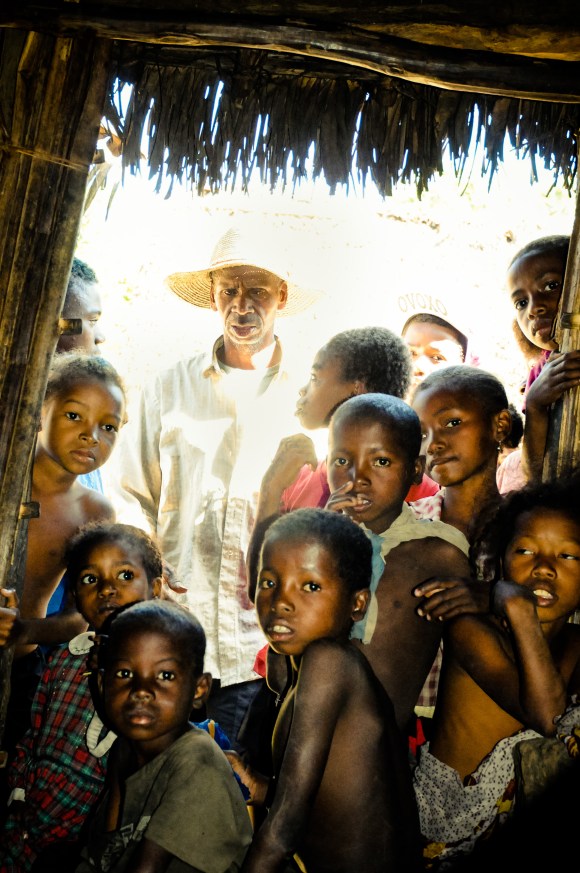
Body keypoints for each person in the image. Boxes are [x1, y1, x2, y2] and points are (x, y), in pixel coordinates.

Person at [107, 224, 318, 745]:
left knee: (235, 787)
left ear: (281, 298)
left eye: (258, 292)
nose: (241, 306)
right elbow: (131, 496)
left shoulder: (310, 401)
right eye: (229, 291)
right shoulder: (169, 387)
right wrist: (149, 580)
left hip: (261, 646)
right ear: (214, 297)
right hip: (175, 632)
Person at [230, 509, 421, 873]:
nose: (281, 601)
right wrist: (259, 786)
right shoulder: (293, 666)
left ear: (357, 604)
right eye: (269, 582)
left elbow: (283, 832)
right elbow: (324, 804)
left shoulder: (330, 662)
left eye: (310, 586)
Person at [412, 474, 580, 870]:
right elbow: (548, 716)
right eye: (525, 551)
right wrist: (514, 605)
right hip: (456, 838)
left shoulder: (575, 642)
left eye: (568, 556)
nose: (544, 569)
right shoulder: (472, 631)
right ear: (501, 561)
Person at [0, 523, 165, 872]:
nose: (107, 589)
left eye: (124, 575)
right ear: (74, 595)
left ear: (157, 589)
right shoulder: (63, 661)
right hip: (25, 827)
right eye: (91, 579)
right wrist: (17, 794)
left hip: (89, 844)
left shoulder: (162, 680)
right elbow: (33, 736)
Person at [246, 325, 438, 601]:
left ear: (355, 389)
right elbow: (261, 593)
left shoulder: (422, 495)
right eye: (342, 461)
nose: (303, 391)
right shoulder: (298, 478)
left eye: (314, 377)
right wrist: (270, 491)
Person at [324, 393, 479, 734]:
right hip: (302, 731)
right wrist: (321, 546)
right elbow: (280, 674)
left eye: (380, 462)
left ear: (414, 471)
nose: (357, 477)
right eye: (340, 460)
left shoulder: (438, 553)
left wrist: (487, 598)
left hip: (379, 750)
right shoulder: (315, 547)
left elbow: (471, 662)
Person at [0, 354, 127, 757]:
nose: (92, 436)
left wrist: (25, 631)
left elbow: (81, 614)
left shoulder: (94, 512)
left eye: (108, 427)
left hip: (19, 670)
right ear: (40, 410)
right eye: (75, 416)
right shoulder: (5, 476)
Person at [75, 600, 253, 873]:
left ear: (199, 690)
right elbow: (105, 850)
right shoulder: (126, 747)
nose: (141, 690)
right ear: (102, 683)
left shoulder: (197, 760)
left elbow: (148, 868)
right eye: (124, 673)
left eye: (165, 675)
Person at [506, 234, 580, 481]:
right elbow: (533, 473)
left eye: (551, 286)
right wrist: (536, 404)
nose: (534, 308)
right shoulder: (540, 372)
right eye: (521, 302)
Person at [410, 366, 512, 539]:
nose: (432, 445)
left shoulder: (523, 528)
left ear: (500, 425)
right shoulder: (401, 527)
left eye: (452, 423)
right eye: (422, 434)